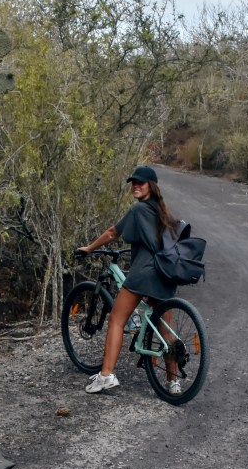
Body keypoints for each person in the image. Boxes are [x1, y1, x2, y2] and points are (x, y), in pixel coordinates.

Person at [77, 165, 181, 395]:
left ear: (151, 186)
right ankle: (173, 383)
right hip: (166, 274)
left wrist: (90, 247)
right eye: (133, 182)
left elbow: (114, 232)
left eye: (140, 183)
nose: (135, 185)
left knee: (116, 319)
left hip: (144, 272)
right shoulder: (164, 213)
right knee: (166, 329)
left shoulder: (139, 210)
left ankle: (106, 375)